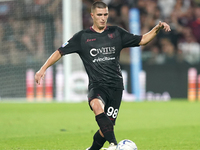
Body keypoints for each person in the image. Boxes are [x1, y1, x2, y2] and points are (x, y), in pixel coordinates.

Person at [35, 1, 171, 150]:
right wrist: (43, 69)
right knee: (96, 106)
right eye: (99, 15)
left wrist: (157, 28)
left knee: (106, 127)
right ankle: (114, 144)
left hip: (116, 87)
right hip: (97, 85)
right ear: (92, 15)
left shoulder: (116, 33)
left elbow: (142, 40)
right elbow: (59, 52)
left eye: (105, 14)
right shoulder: (82, 37)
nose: (103, 18)